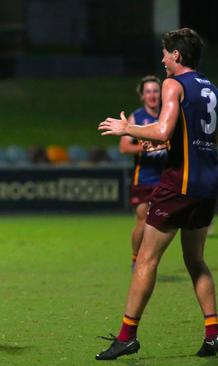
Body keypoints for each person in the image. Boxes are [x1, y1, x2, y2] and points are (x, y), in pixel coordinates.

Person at [96, 27, 218, 360]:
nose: (163, 59)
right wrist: (164, 142)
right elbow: (197, 135)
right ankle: (213, 335)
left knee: (146, 261)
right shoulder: (210, 87)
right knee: (195, 261)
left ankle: (126, 336)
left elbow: (164, 126)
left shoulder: (173, 83)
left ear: (176, 55)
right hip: (208, 185)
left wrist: (127, 128)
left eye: (165, 53)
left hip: (179, 184)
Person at [118, 75, 165, 271]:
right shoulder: (136, 118)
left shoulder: (168, 115)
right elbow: (124, 147)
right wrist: (143, 148)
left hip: (168, 178)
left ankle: (150, 258)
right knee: (143, 220)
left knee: (162, 222)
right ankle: (136, 259)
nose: (152, 95)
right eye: (148, 92)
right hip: (144, 178)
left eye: (155, 91)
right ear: (142, 96)